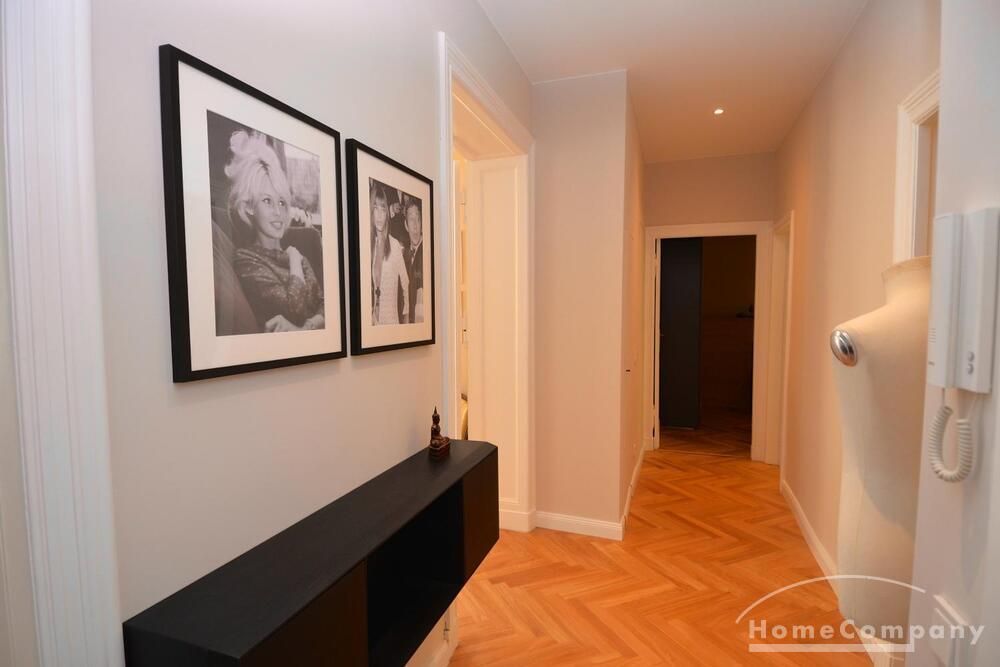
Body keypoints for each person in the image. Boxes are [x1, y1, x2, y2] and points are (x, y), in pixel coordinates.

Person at [226, 130, 324, 332]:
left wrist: (307, 327)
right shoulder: (246, 260)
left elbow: (324, 304)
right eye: (267, 201)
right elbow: (295, 309)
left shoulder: (298, 255)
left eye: (281, 202)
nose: (278, 212)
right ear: (249, 206)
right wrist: (295, 262)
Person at [370, 183, 408, 325]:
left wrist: (406, 318)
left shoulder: (394, 245)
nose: (379, 215)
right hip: (374, 322)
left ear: (387, 213)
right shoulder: (370, 246)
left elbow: (405, 282)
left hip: (391, 322)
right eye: (375, 208)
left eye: (383, 209)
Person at [402, 200, 424, 323]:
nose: (415, 224)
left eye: (418, 219)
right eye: (411, 219)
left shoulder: (427, 251)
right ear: (406, 225)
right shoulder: (404, 255)